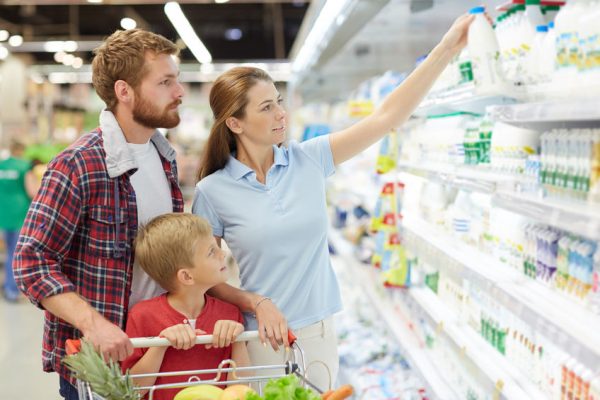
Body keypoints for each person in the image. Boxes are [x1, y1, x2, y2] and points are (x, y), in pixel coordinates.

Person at [192, 13, 476, 391]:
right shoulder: (212, 191)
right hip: (257, 340)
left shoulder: (309, 159)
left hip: (318, 335)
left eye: (278, 101)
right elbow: (203, 280)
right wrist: (255, 302)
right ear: (235, 124)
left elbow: (387, 117)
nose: (281, 114)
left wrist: (447, 48)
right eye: (266, 108)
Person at [13, 28, 185, 400]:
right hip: (102, 367)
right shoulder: (78, 164)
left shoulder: (164, 158)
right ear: (125, 91)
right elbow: (31, 261)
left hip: (156, 354)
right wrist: (94, 324)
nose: (179, 92)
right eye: (166, 82)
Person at [122, 213, 250, 400]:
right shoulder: (142, 316)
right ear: (187, 277)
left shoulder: (229, 314)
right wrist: (160, 345)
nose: (222, 254)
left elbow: (240, 389)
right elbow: (130, 391)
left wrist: (238, 340)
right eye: (211, 252)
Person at [0, 139, 35, 302]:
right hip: (19, 215)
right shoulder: (24, 166)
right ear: (21, 150)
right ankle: (11, 290)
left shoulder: (2, 165)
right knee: (15, 253)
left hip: (3, 215)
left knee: (7, 252)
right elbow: (32, 191)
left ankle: (7, 285)